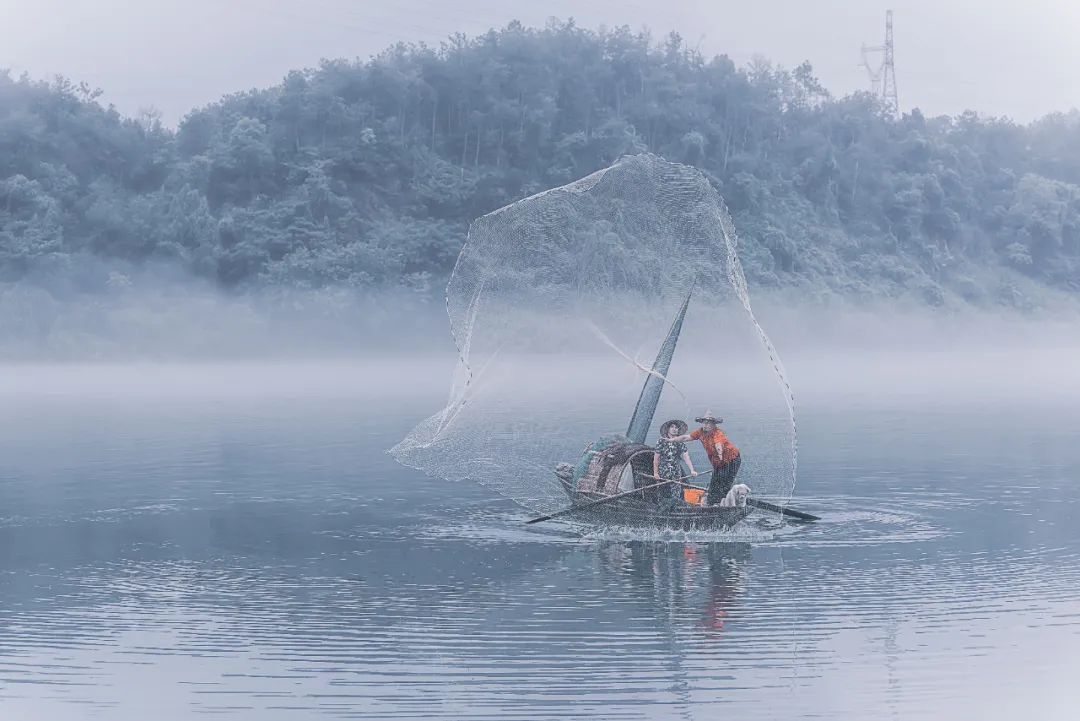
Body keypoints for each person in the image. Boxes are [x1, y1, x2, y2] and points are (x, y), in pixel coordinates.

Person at [670, 412, 741, 506]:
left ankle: (722, 504)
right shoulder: (700, 432)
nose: (705, 425)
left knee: (724, 483)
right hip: (718, 463)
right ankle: (712, 503)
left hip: (732, 460)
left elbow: (718, 444)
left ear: (713, 425)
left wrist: (719, 453)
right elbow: (686, 437)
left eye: (708, 423)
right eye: (704, 423)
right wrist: (672, 440)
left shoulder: (718, 433)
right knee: (714, 483)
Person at [652, 419, 698, 511]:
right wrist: (655, 473)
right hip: (663, 472)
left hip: (675, 473)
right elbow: (656, 458)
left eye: (676, 428)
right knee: (662, 493)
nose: (674, 429)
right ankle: (661, 512)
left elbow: (686, 457)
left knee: (676, 494)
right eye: (672, 427)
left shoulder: (680, 442)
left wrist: (692, 470)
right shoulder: (661, 441)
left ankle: (675, 512)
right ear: (668, 429)